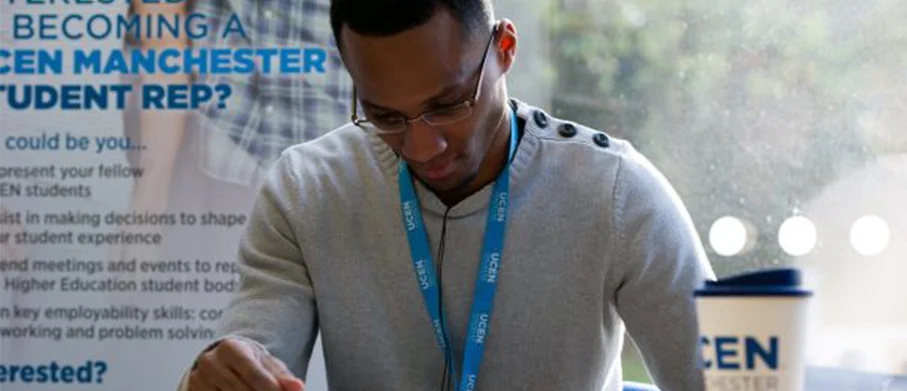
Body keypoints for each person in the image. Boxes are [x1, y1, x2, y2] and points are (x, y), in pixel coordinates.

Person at [177, 0, 716, 390]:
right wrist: (221, 373)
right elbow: (253, 349)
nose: (422, 146)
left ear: (504, 49)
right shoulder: (307, 189)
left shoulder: (615, 192)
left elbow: (724, 379)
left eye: (449, 104)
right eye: (384, 115)